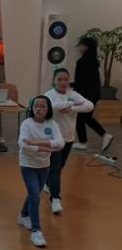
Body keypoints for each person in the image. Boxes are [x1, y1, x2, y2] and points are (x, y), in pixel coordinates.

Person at [17, 96, 64, 248]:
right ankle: (36, 231)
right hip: (27, 164)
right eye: (36, 106)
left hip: (44, 165)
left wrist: (36, 142)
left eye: (42, 106)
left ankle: (23, 215)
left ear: (48, 109)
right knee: (35, 195)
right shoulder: (26, 124)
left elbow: (60, 143)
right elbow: (23, 145)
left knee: (34, 193)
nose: (38, 109)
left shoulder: (52, 124)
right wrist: (43, 148)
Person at [44, 68, 93, 214]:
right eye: (59, 79)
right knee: (56, 168)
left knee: (60, 166)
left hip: (69, 138)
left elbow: (89, 105)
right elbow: (50, 106)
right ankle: (55, 199)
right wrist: (67, 104)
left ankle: (47, 183)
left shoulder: (73, 94)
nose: (63, 82)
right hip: (54, 139)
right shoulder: (49, 95)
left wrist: (73, 108)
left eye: (66, 79)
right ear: (53, 80)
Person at [73, 37, 114, 151]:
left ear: (86, 47)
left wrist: (68, 84)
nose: (79, 47)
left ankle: (101, 136)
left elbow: (81, 81)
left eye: (80, 44)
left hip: (86, 94)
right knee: (84, 118)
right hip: (94, 94)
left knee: (83, 118)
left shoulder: (82, 62)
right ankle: (86, 141)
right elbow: (93, 80)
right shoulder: (93, 61)